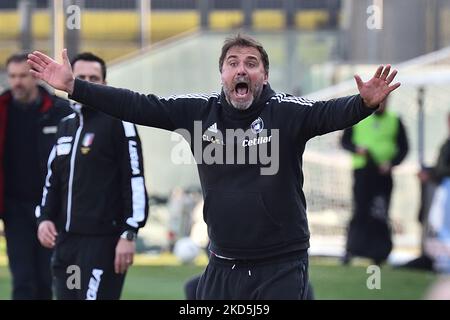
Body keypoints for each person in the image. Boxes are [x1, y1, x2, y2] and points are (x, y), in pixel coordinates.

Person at [27, 34, 400, 300]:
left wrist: (362, 105)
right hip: (222, 262)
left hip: (281, 263)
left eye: (251, 64)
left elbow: (326, 113)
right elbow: (139, 104)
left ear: (264, 76)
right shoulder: (198, 113)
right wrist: (75, 87)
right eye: (233, 63)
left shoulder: (285, 112)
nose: (242, 70)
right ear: (221, 74)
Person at [34, 53, 149, 300]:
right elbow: (52, 182)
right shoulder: (66, 125)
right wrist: (43, 218)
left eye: (94, 78)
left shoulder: (120, 122)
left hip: (103, 245)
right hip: (66, 245)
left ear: (105, 84)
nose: (87, 82)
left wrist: (129, 233)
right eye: (81, 77)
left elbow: (135, 178)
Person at [0, 53, 71, 299]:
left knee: (46, 278)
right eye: (12, 76)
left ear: (34, 78)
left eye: (22, 76)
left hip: (50, 208)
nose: (16, 82)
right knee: (22, 279)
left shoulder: (59, 110)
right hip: (14, 207)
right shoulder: (3, 109)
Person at [340, 98, 408, 265]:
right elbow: (345, 142)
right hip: (363, 172)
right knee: (360, 210)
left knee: (380, 212)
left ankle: (380, 253)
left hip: (382, 174)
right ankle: (352, 250)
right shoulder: (358, 116)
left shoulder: (394, 120)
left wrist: (392, 163)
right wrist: (358, 149)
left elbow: (404, 147)